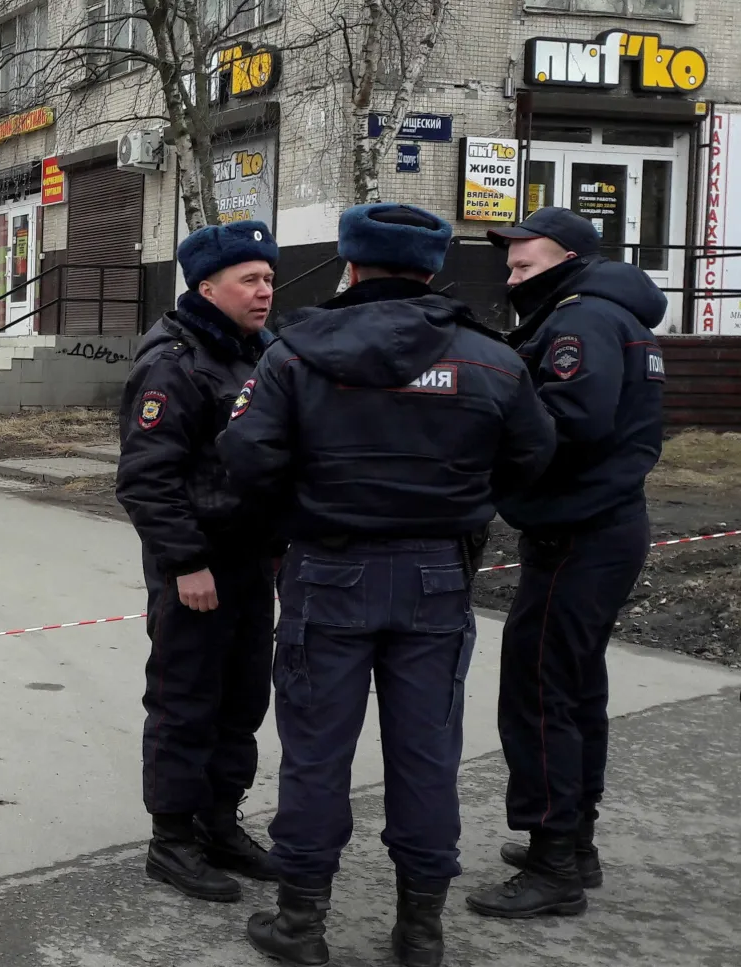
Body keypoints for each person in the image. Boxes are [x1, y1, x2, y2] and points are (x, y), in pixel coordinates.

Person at [217, 203, 557, 967]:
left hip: (327, 569)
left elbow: (245, 456)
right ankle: (420, 929)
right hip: (438, 573)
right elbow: (533, 455)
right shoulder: (491, 358)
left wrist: (301, 505)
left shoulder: (295, 354)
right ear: (432, 270)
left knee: (314, 752)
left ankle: (301, 923)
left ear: (351, 265)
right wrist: (460, 496)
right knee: (427, 753)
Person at [465, 207, 667, 920]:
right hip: (602, 527)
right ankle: (574, 840)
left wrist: (483, 436)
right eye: (511, 265)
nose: (512, 276)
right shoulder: (609, 314)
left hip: (579, 533)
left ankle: (554, 862)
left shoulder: (580, 321)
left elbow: (569, 421)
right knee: (575, 687)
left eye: (525, 265)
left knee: (541, 690)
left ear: (570, 259)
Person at [115, 220, 283, 903]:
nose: (265, 290)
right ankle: (173, 841)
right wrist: (186, 562)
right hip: (196, 566)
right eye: (250, 279)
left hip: (250, 561)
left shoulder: (258, 353)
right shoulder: (174, 361)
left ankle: (219, 822)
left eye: (269, 277)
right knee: (186, 701)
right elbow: (146, 477)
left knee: (242, 699)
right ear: (206, 286)